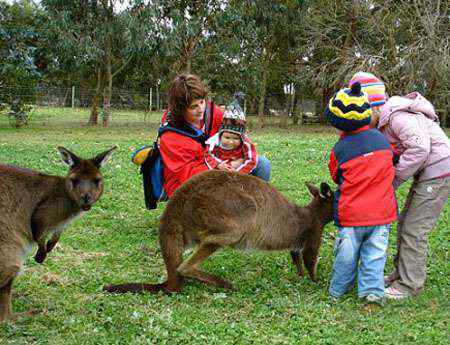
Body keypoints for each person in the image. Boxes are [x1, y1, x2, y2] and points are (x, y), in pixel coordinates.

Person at [350, 71, 450, 300]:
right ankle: (401, 273)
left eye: (364, 115)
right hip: (430, 172)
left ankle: (409, 285)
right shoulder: (386, 121)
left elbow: (420, 148)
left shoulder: (397, 116)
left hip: (439, 171)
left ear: (374, 107)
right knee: (405, 222)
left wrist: (393, 180)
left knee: (414, 228)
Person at [326, 81, 397, 305]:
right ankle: (372, 292)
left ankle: (338, 290)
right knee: (375, 255)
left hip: (351, 215)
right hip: (382, 214)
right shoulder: (383, 141)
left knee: (346, 255)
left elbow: (335, 175)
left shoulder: (339, 150)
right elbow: (393, 159)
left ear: (338, 123)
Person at [159, 73, 270, 198]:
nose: (201, 109)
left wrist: (239, 160)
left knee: (262, 164)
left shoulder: (212, 114)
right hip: (189, 184)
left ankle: (255, 208)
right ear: (181, 110)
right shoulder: (170, 136)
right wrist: (219, 170)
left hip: (221, 168)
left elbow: (237, 137)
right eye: (193, 107)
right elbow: (186, 174)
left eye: (202, 102)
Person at [205, 97, 258, 174]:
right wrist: (218, 164)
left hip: (239, 170)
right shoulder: (213, 142)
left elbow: (251, 159)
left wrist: (238, 172)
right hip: (218, 170)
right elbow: (208, 155)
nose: (231, 142)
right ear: (221, 134)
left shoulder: (246, 144)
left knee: (263, 165)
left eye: (236, 138)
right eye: (227, 137)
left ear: (242, 138)